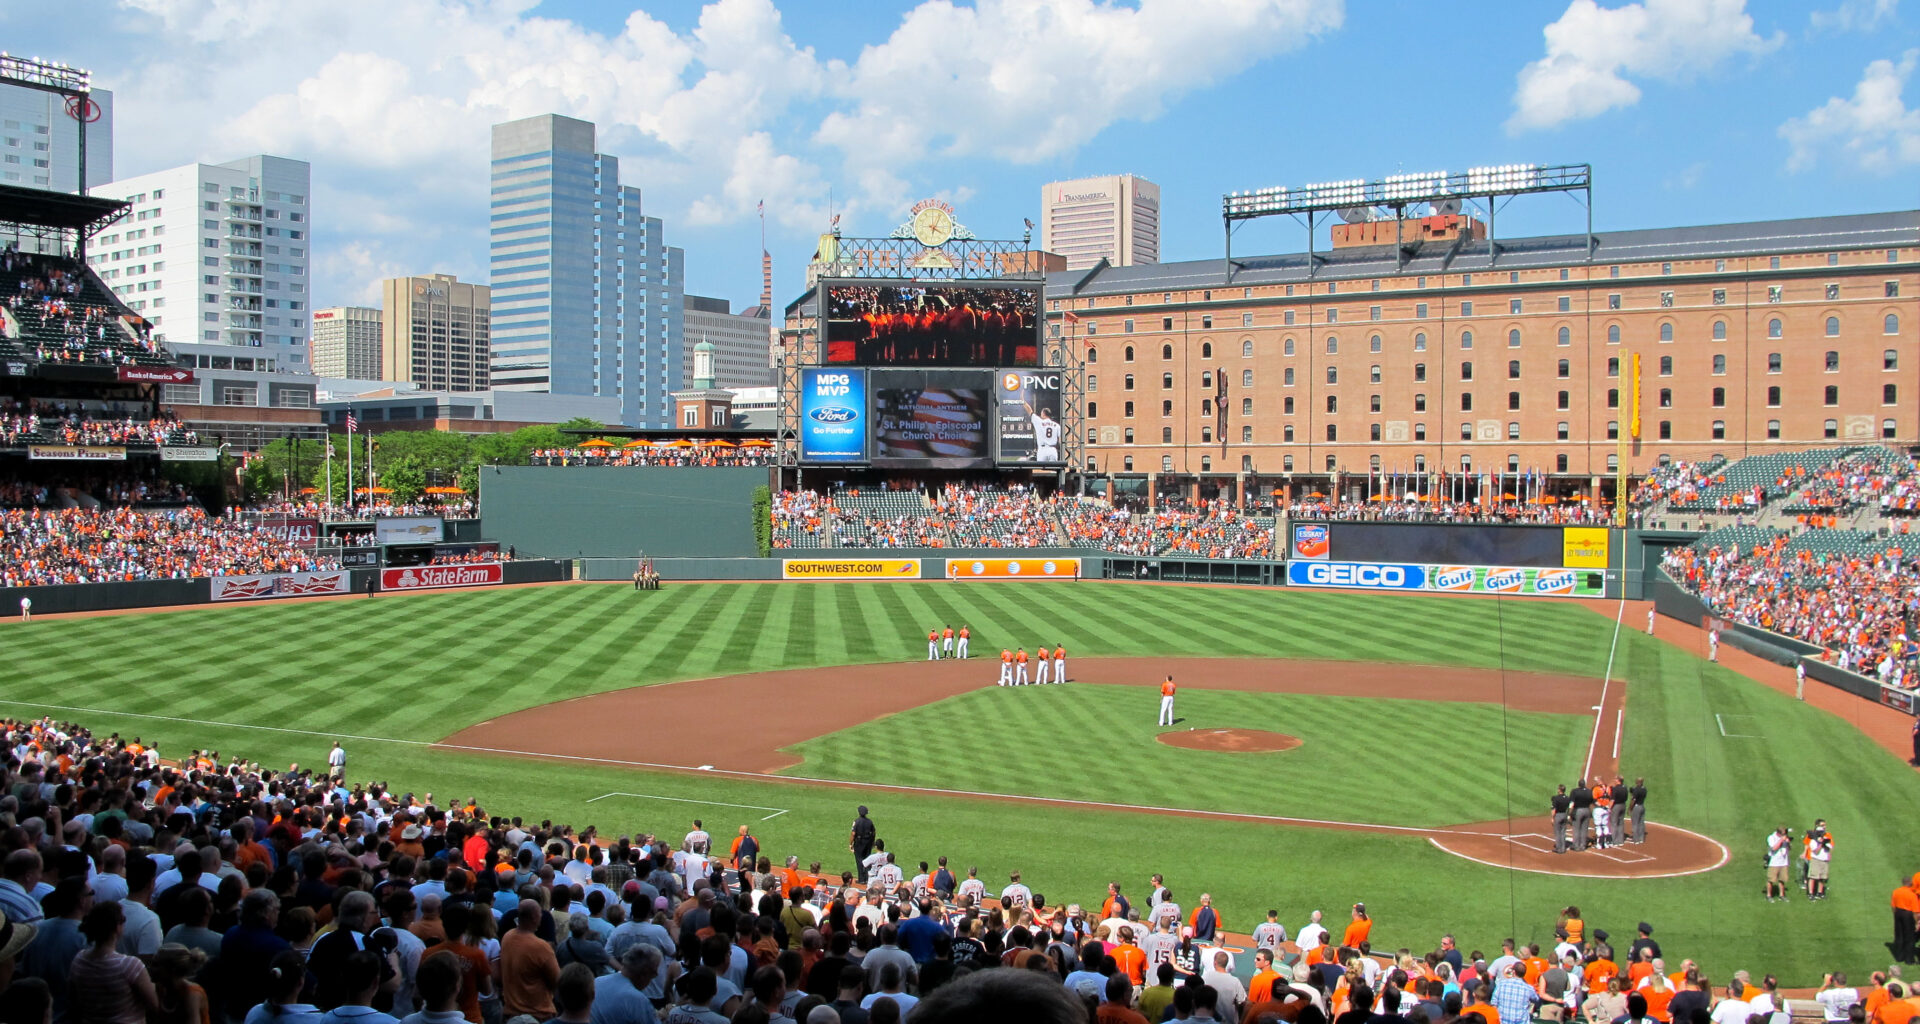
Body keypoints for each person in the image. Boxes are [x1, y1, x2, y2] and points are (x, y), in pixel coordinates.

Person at [68, 899, 156, 1024]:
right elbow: (154, 1004)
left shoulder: (79, 960)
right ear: (117, 926)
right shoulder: (129, 965)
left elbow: (73, 1002)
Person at [1806, 820, 1834, 900]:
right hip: (1816, 860)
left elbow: (1830, 848)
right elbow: (1816, 851)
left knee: (1823, 878)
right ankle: (1811, 893)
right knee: (1813, 877)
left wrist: (1826, 846)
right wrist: (1821, 844)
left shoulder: (1826, 839)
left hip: (1824, 861)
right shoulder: (1813, 841)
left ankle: (1820, 892)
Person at [849, 808, 876, 884]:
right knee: (868, 859)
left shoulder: (857, 821)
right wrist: (872, 841)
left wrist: (851, 843)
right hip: (868, 841)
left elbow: (853, 833)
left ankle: (861, 879)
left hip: (859, 842)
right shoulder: (870, 821)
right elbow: (874, 832)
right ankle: (868, 878)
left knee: (859, 859)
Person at [1765, 827, 1792, 902]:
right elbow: (1774, 848)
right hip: (1774, 862)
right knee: (1771, 880)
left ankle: (1782, 895)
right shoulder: (1771, 837)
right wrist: (1781, 840)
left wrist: (1788, 842)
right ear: (1778, 833)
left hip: (1784, 862)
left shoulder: (1785, 837)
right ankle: (1769, 895)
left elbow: (1789, 848)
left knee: (1782, 879)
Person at [1569, 780, 1594, 852]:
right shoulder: (1589, 791)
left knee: (1576, 829)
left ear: (1578, 784)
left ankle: (1576, 846)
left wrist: (1570, 813)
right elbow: (1592, 802)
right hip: (1587, 810)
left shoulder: (1574, 791)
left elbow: (1571, 803)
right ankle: (1583, 846)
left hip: (1578, 811)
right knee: (1584, 829)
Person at [1550, 786, 1572, 855]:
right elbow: (1569, 807)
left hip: (1558, 815)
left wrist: (1552, 818)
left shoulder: (1556, 798)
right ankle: (1563, 848)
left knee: (1557, 832)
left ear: (1559, 790)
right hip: (1564, 815)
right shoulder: (1567, 798)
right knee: (1563, 832)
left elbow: (1554, 809)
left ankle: (1559, 848)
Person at [1629, 778, 1648, 845]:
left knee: (1635, 823)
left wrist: (1630, 809)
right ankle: (1641, 838)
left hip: (1636, 807)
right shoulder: (1644, 789)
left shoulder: (1636, 790)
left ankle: (1636, 839)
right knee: (1641, 823)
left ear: (1637, 782)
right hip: (1642, 806)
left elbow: (1633, 800)